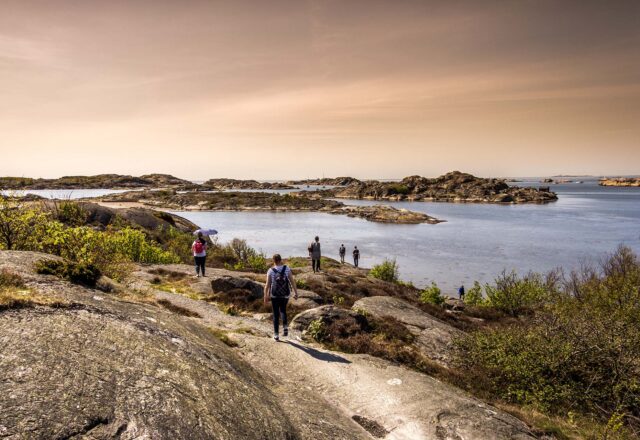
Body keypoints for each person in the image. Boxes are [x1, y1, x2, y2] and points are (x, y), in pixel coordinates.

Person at [264, 254, 299, 341]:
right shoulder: (286, 268)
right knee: (283, 310)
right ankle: (285, 327)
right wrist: (296, 292)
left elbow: (267, 285)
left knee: (276, 314)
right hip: (285, 295)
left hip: (274, 295)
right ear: (281, 260)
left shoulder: (270, 270)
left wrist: (266, 296)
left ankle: (276, 335)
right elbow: (292, 281)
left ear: (274, 261)